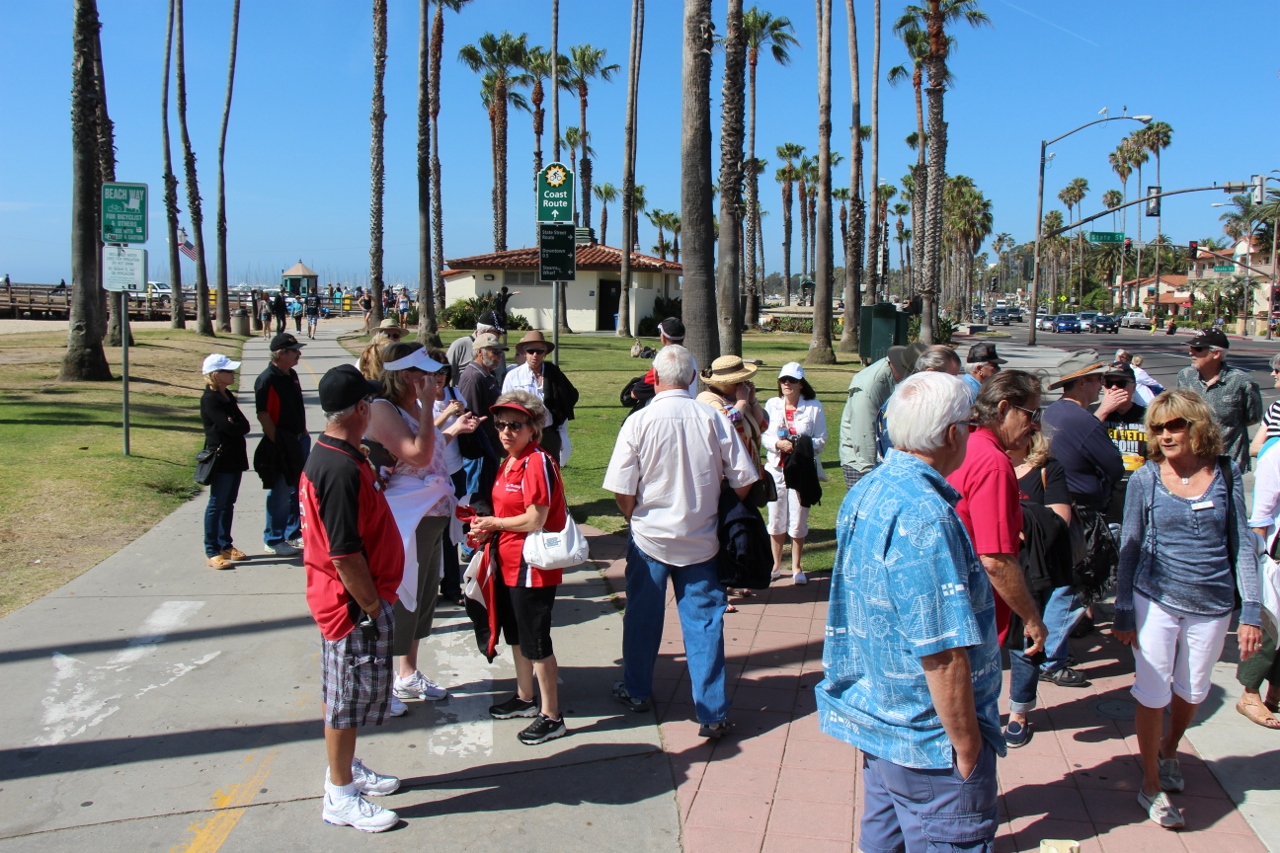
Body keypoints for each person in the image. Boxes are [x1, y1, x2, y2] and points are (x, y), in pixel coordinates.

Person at [818, 371, 1004, 853]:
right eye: (970, 422)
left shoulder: (870, 488)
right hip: (928, 743)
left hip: (882, 721)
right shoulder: (926, 515)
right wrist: (966, 746)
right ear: (951, 434)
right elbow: (941, 651)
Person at [1113, 389, 1263, 829]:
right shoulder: (1146, 479)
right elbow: (1130, 546)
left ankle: (1170, 746)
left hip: (1214, 602)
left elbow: (1243, 548)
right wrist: (1123, 607)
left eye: (1175, 425)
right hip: (1155, 598)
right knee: (1152, 689)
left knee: (1194, 691)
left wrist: (1250, 609)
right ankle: (1152, 785)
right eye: (1157, 428)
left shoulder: (1227, 473)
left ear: (1197, 426)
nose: (1165, 435)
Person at [603, 345, 759, 738]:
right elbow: (744, 478)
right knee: (705, 623)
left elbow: (622, 490)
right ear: (692, 378)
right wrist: (717, 509)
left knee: (642, 617)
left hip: (650, 538)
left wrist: (635, 515)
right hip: (702, 539)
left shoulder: (639, 422)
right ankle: (712, 711)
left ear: (655, 377)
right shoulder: (712, 417)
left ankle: (637, 690)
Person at [300, 364, 404, 833]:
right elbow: (344, 553)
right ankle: (339, 794)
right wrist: (372, 609)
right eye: (369, 402)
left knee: (347, 697)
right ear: (361, 409)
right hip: (349, 608)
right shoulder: (338, 467)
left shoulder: (336, 453)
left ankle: (345, 770)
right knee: (345, 702)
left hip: (346, 602)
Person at [366, 344, 481, 714]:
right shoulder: (384, 408)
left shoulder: (416, 407)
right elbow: (414, 453)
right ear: (404, 375)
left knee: (424, 595)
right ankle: (384, 683)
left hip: (432, 515)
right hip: (407, 517)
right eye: (423, 374)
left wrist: (454, 430)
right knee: (402, 594)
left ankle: (407, 672)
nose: (432, 380)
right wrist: (433, 409)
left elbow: (429, 451)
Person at [945, 371, 1051, 734]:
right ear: (1004, 408)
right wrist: (1032, 619)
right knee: (972, 723)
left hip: (951, 607)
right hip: (974, 617)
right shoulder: (993, 463)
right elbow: (995, 559)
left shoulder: (965, 444)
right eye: (1031, 414)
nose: (1035, 427)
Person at [467, 391, 570, 745]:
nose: (506, 432)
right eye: (500, 425)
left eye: (515, 425)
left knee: (537, 641)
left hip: (532, 565)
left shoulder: (536, 461)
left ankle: (552, 715)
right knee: (517, 636)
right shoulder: (509, 460)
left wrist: (494, 523)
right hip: (507, 561)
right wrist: (485, 525)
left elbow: (536, 518)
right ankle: (526, 698)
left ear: (533, 428)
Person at [1041, 351, 1126, 668]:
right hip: (1082, 513)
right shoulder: (1081, 420)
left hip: (1062, 506)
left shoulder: (1055, 413)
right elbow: (1114, 466)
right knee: (1075, 586)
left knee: (1064, 583)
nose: (1103, 387)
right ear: (1084, 383)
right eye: (1099, 381)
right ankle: (1049, 657)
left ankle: (1053, 652)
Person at [761, 362, 827, 586]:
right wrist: (779, 443)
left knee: (798, 518)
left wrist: (800, 444)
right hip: (777, 468)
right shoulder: (772, 404)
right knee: (776, 518)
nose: (786, 384)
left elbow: (821, 439)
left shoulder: (814, 406)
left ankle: (798, 567)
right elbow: (765, 436)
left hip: (801, 470)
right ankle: (776, 565)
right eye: (783, 380)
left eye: (792, 380)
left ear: (801, 384)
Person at [1240, 415, 1280, 729]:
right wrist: (1261, 561)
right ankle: (1250, 692)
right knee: (1270, 627)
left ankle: (1275, 690)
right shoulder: (1275, 453)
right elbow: (1262, 512)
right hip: (1275, 553)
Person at [255, 333, 310, 557]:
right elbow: (263, 414)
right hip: (281, 441)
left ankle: (292, 532)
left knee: (296, 489)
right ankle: (273, 537)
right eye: (294, 350)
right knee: (279, 490)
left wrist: (303, 432)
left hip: (299, 439)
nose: (299, 354)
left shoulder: (292, 374)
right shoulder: (266, 379)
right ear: (280, 353)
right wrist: (277, 441)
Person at [1176, 328, 1262, 471]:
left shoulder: (1243, 382)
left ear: (1216, 353)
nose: (1191, 352)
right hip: (1192, 460)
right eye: (1191, 348)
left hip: (1229, 464)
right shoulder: (1185, 376)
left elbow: (1253, 417)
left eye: (1198, 349)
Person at [200, 353, 251, 570]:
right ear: (215, 375)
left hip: (235, 455)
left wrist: (235, 424)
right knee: (216, 504)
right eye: (228, 371)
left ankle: (225, 544)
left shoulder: (228, 396)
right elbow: (229, 427)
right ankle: (211, 550)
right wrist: (235, 424)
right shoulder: (210, 399)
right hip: (220, 457)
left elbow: (244, 425)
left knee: (229, 503)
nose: (232, 374)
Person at [502, 330, 579, 466]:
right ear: (524, 353)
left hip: (549, 434)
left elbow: (571, 395)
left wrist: (559, 418)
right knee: (524, 474)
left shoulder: (554, 374)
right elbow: (505, 408)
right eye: (531, 351)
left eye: (539, 351)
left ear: (545, 353)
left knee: (550, 474)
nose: (535, 355)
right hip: (523, 435)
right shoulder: (513, 376)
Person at [429, 349, 469, 605]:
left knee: (453, 531)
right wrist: (447, 415)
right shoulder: (420, 402)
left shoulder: (454, 394)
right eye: (434, 372)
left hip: (455, 469)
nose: (439, 377)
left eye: (443, 372)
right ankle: (431, 583)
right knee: (433, 531)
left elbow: (466, 421)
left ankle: (452, 586)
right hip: (431, 474)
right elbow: (424, 433)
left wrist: (464, 413)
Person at [838, 347, 907, 488]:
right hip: (860, 464)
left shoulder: (891, 374)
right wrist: (871, 475)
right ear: (896, 367)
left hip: (882, 459)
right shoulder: (869, 388)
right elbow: (864, 435)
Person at [458, 332, 508, 506]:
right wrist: (485, 447)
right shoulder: (473, 378)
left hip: (491, 448)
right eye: (495, 352)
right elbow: (470, 417)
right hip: (480, 451)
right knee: (477, 502)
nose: (499, 357)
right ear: (480, 352)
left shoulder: (487, 375)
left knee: (488, 495)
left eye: (500, 353)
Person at [1099, 363, 1149, 525]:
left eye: (1120, 384)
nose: (1114, 388)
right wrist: (1104, 411)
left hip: (1138, 490)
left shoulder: (1148, 416)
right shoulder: (1094, 415)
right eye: (1108, 384)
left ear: (1133, 387)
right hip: (1106, 494)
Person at [447, 311, 507, 386]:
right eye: (498, 332)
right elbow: (445, 376)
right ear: (486, 332)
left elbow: (502, 377)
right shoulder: (460, 345)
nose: (500, 336)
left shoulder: (499, 351)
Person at [1248, 352, 1280, 461]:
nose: (1272, 374)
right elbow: (1253, 448)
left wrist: (1270, 446)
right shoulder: (1275, 408)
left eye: (1277, 370)